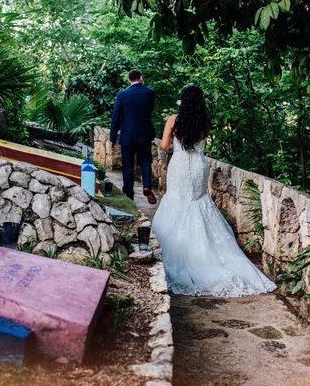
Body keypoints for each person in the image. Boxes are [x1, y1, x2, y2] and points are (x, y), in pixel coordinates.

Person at [152, 85, 276, 297]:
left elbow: (164, 146)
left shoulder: (173, 120)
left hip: (180, 166)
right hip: (199, 167)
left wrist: (175, 143)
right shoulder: (204, 122)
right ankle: (209, 255)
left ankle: (179, 251)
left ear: (182, 100)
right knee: (198, 203)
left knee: (177, 201)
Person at [110, 69, 157, 204]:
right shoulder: (150, 93)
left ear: (129, 80)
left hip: (128, 135)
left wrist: (113, 137)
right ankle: (147, 185)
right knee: (146, 161)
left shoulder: (122, 95)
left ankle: (129, 196)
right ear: (141, 77)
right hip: (145, 134)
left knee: (128, 166)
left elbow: (116, 117)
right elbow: (150, 110)